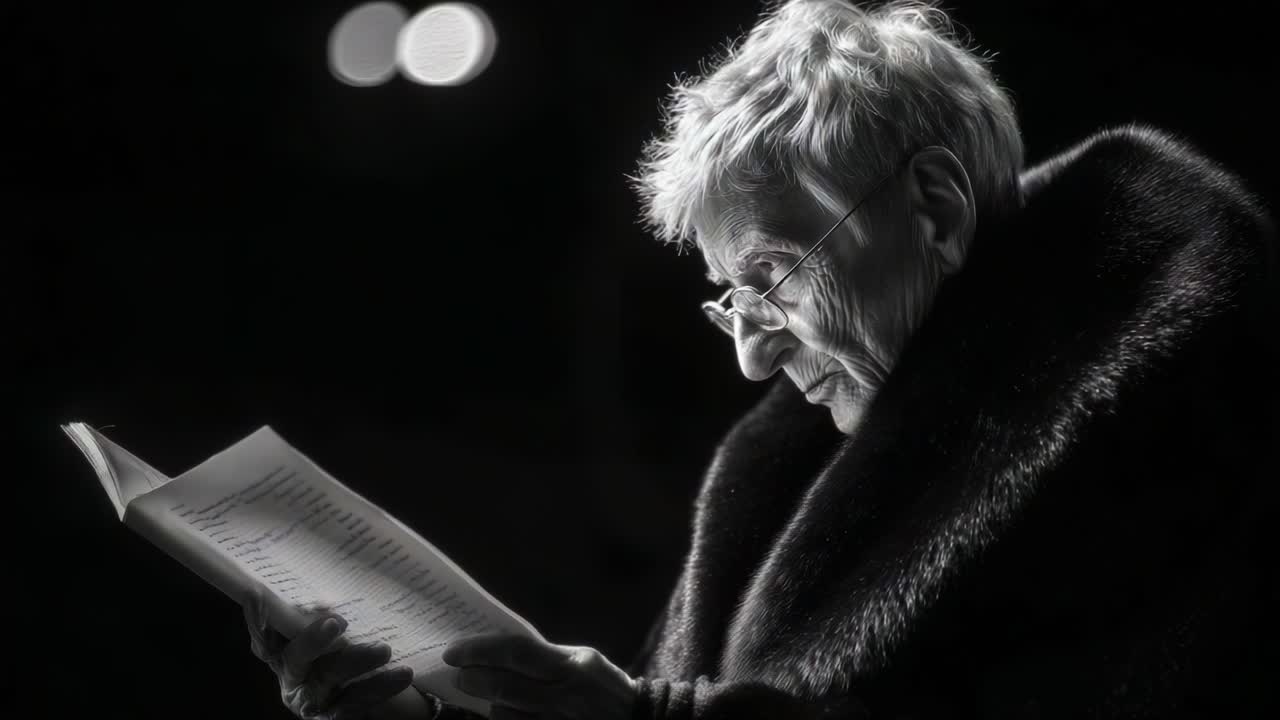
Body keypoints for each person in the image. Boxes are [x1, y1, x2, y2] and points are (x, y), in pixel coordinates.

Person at [243, 0, 1279, 717]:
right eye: (729, 300)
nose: (748, 358)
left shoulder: (1186, 402)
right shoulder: (776, 477)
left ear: (934, 205)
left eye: (775, 277)